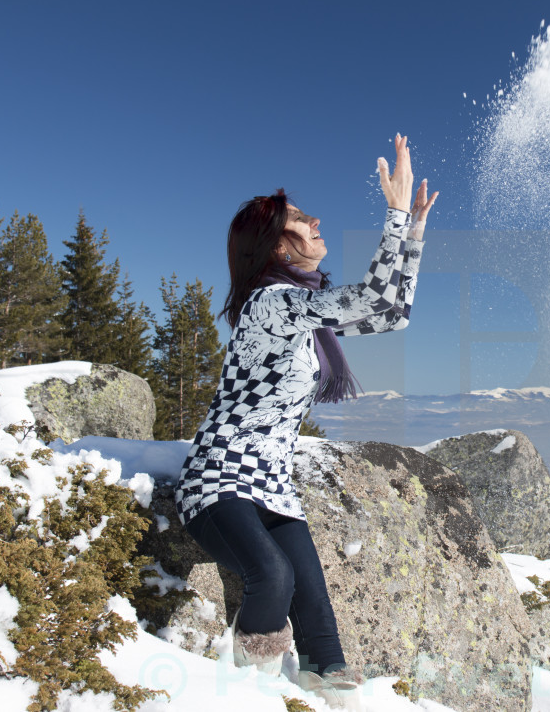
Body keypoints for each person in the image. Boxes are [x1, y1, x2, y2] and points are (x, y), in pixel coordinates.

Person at [174, 134, 437, 709]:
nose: (315, 220)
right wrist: (392, 218)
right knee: (274, 576)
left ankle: (330, 685)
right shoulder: (269, 304)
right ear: (275, 249)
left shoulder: (306, 315)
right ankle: (255, 688)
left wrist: (412, 235)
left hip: (271, 482)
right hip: (218, 477)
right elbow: (369, 296)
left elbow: (390, 315)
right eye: (299, 219)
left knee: (316, 605)